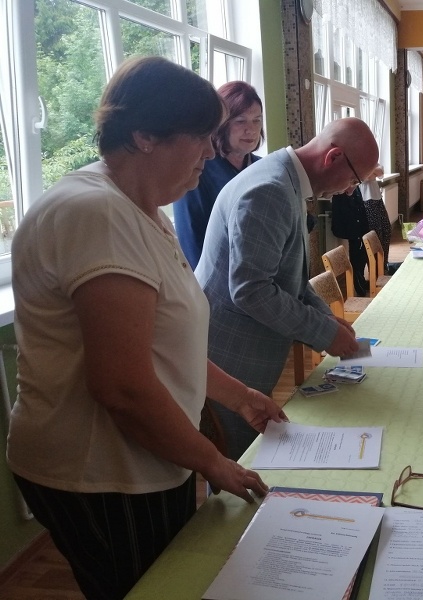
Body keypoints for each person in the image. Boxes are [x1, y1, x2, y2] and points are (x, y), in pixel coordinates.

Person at [6, 56, 287, 600]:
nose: (211, 152)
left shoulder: (140, 209)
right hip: (101, 471)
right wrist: (214, 463)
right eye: (202, 137)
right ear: (144, 137)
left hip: (141, 459)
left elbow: (162, 344)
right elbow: (124, 385)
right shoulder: (97, 214)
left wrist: (240, 394)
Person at [195, 117, 376, 460]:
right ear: (333, 157)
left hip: (242, 351)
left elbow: (286, 278)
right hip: (229, 355)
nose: (351, 190)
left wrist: (327, 321)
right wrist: (322, 331)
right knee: (238, 460)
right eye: (354, 180)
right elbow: (252, 290)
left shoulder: (284, 179)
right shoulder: (271, 189)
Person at [173, 81, 264, 270]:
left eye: (257, 120)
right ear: (221, 124)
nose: (251, 129)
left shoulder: (263, 167)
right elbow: (191, 239)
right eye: (240, 121)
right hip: (214, 284)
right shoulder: (197, 171)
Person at [331, 185, 370, 297]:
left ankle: (361, 279)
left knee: (362, 252)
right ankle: (358, 284)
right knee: (355, 252)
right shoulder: (340, 184)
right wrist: (348, 190)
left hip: (357, 214)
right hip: (348, 218)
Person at [360, 164, 399, 275]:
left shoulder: (370, 158)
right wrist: (373, 172)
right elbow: (364, 177)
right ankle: (376, 270)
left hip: (377, 198)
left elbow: (380, 171)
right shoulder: (356, 158)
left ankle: (383, 265)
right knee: (375, 235)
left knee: (386, 230)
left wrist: (370, 171)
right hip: (365, 200)